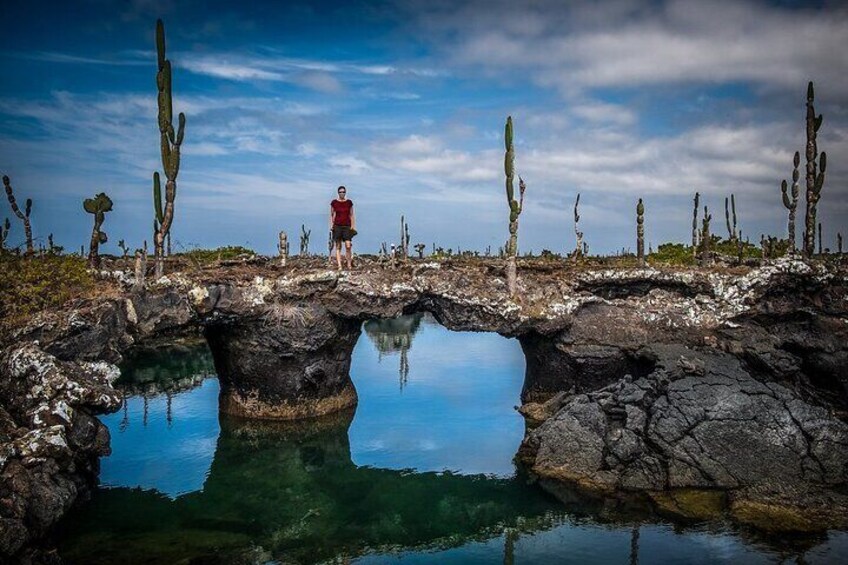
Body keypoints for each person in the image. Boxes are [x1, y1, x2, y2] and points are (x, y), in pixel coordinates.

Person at [330, 185, 355, 270]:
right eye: (340, 192)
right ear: (338, 193)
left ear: (345, 192)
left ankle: (349, 264)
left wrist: (352, 226)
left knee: (348, 245)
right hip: (337, 226)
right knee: (338, 246)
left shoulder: (349, 202)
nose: (342, 193)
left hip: (347, 226)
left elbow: (351, 215)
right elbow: (332, 214)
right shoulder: (334, 202)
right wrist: (332, 225)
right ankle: (339, 265)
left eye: (343, 192)